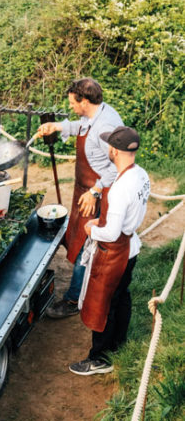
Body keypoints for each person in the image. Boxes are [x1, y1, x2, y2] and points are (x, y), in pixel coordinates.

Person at [36, 78, 124, 319]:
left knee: (86, 243)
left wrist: (96, 191)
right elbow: (82, 126)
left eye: (73, 103)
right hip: (83, 188)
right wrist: (57, 126)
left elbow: (118, 165)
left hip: (97, 191)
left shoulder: (107, 127)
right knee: (78, 235)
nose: (71, 107)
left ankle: (74, 299)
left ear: (84, 101)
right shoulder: (95, 113)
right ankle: (80, 286)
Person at [70, 126, 150, 376]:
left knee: (103, 305)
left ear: (114, 151)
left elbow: (111, 233)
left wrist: (90, 228)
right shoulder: (141, 175)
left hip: (114, 252)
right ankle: (118, 344)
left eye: (108, 146)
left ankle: (100, 358)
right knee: (121, 297)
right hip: (131, 247)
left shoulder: (119, 189)